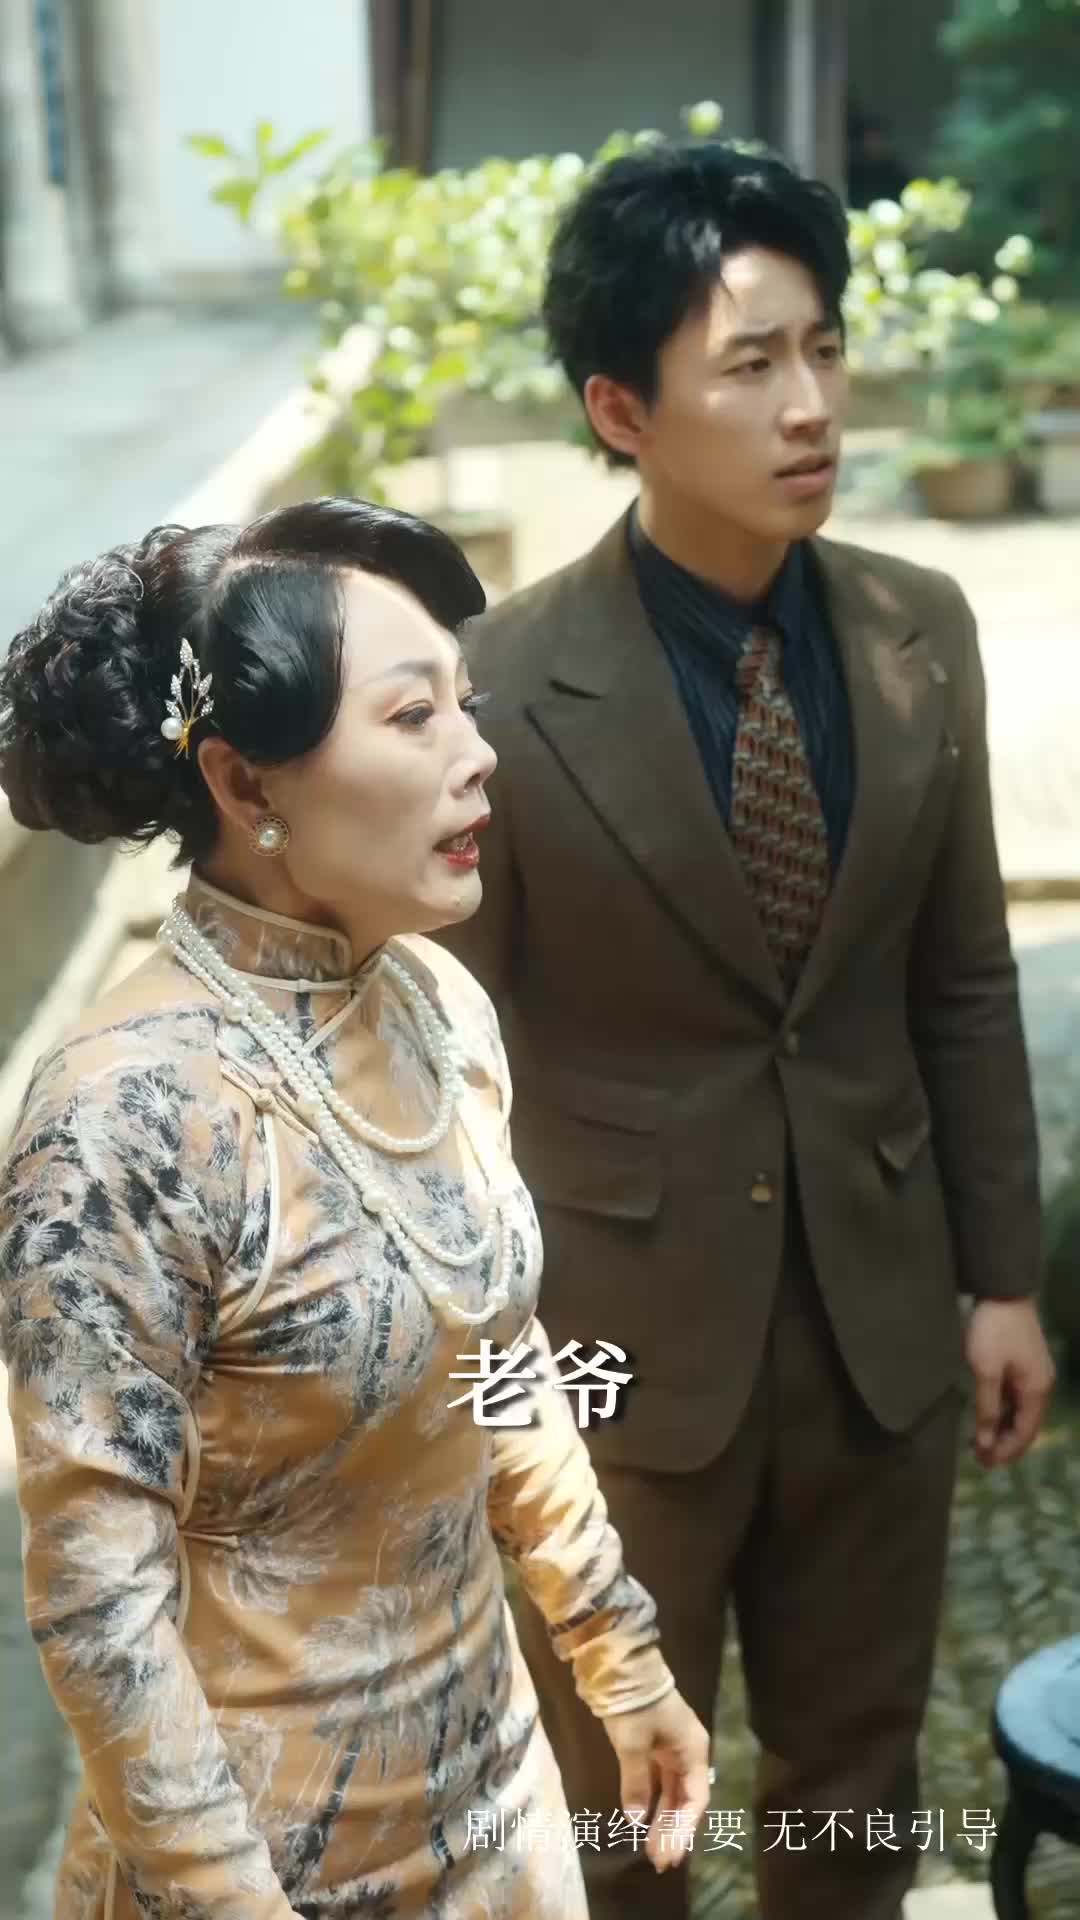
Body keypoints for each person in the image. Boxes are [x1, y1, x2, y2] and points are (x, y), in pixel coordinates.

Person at [435, 140, 1056, 1920]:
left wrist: (1001, 1278)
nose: (812, 407)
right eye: (753, 363)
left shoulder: (921, 629)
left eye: (827, 350)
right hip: (610, 1358)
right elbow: (453, 1063)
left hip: (878, 1318)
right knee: (608, 1797)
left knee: (858, 1778)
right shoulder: (501, 686)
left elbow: (962, 977)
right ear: (620, 410)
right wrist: (481, 1382)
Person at [0, 497, 712, 1920]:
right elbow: (98, 1598)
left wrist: (618, 1655)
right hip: (261, 1867)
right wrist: (230, 1899)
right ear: (242, 781)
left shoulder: (438, 1007)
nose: (476, 753)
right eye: (412, 716)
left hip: (500, 1816)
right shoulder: (125, 1117)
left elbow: (500, 1360)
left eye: (466, 703)